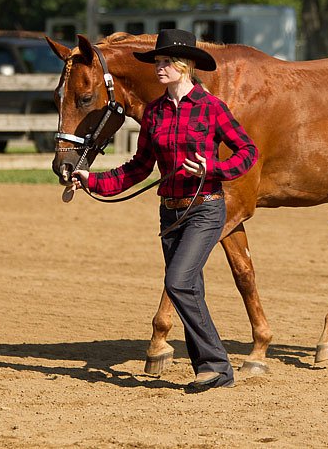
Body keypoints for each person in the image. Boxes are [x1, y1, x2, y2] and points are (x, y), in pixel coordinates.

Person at [71, 29, 257, 392]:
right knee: (192, 289)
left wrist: (212, 170)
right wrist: (91, 181)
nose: (159, 68)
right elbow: (138, 167)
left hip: (205, 209)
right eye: (157, 62)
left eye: (166, 62)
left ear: (185, 66)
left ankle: (218, 366)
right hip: (169, 213)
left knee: (178, 283)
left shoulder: (212, 107)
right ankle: (209, 368)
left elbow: (247, 152)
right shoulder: (155, 112)